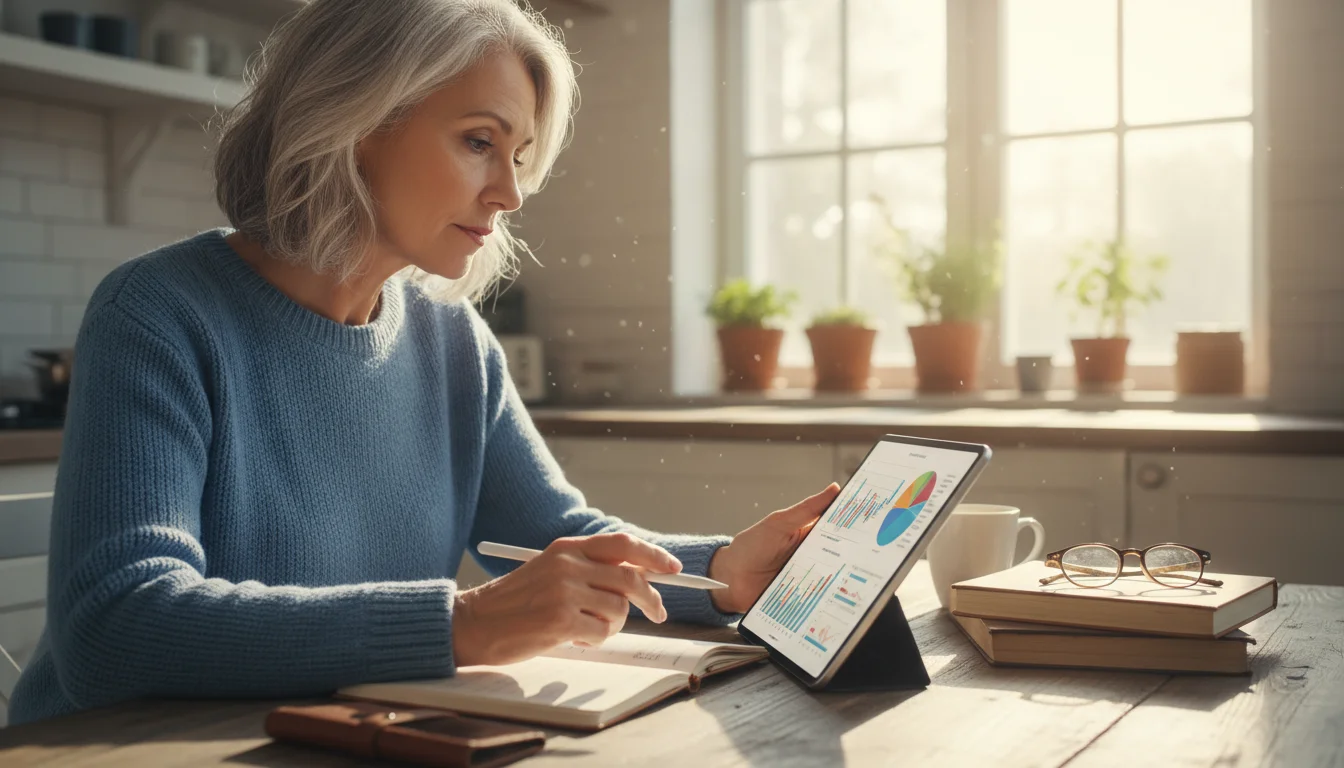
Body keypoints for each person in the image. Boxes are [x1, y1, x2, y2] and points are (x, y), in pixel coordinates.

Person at [7, 0, 839, 726]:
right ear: (356, 125)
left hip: (336, 737)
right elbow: (115, 627)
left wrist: (719, 572)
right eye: (481, 142)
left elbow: (555, 541)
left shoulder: (451, 341)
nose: (509, 194)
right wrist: (461, 625)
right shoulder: (159, 314)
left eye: (518, 156)